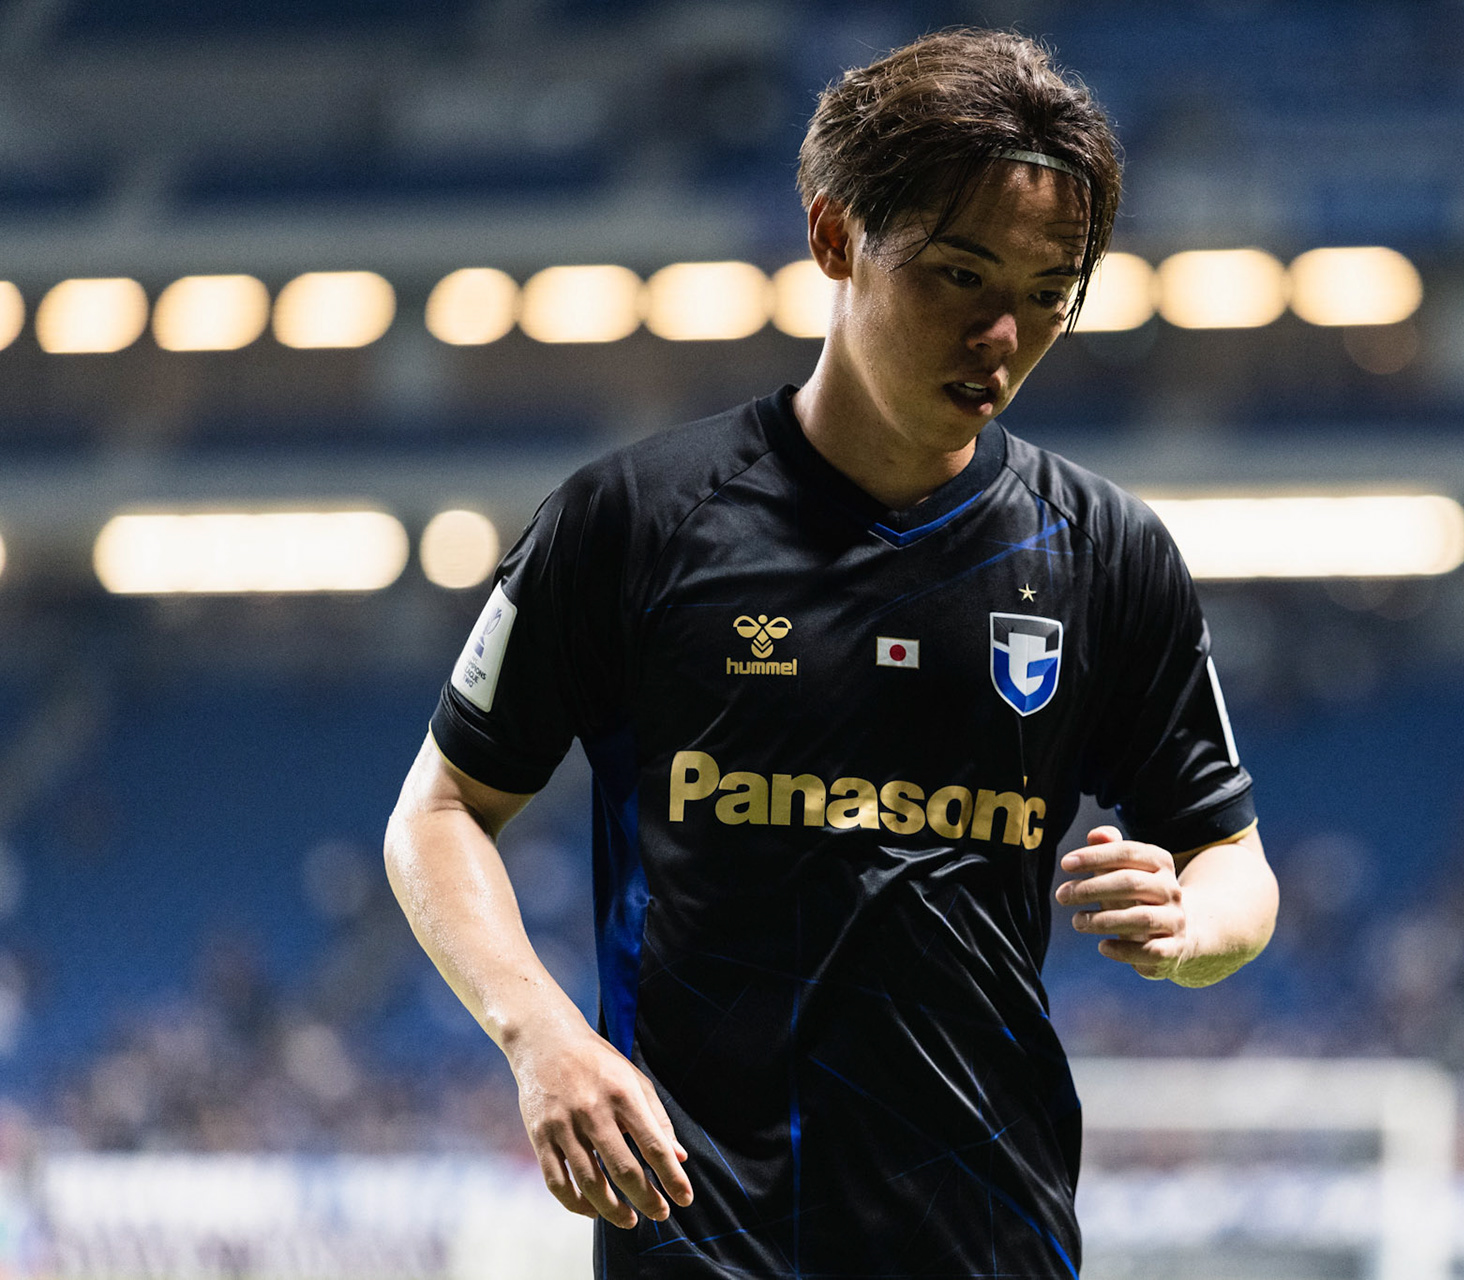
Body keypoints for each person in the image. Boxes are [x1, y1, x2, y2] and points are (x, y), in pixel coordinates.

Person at [384, 27, 1278, 1279]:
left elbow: (1235, 862)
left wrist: (1192, 925)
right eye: (961, 275)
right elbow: (438, 811)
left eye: (1047, 293)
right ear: (835, 237)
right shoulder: (635, 522)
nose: (1002, 334)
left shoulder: (1105, 555)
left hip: (992, 1243)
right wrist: (540, 1033)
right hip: (702, 1247)